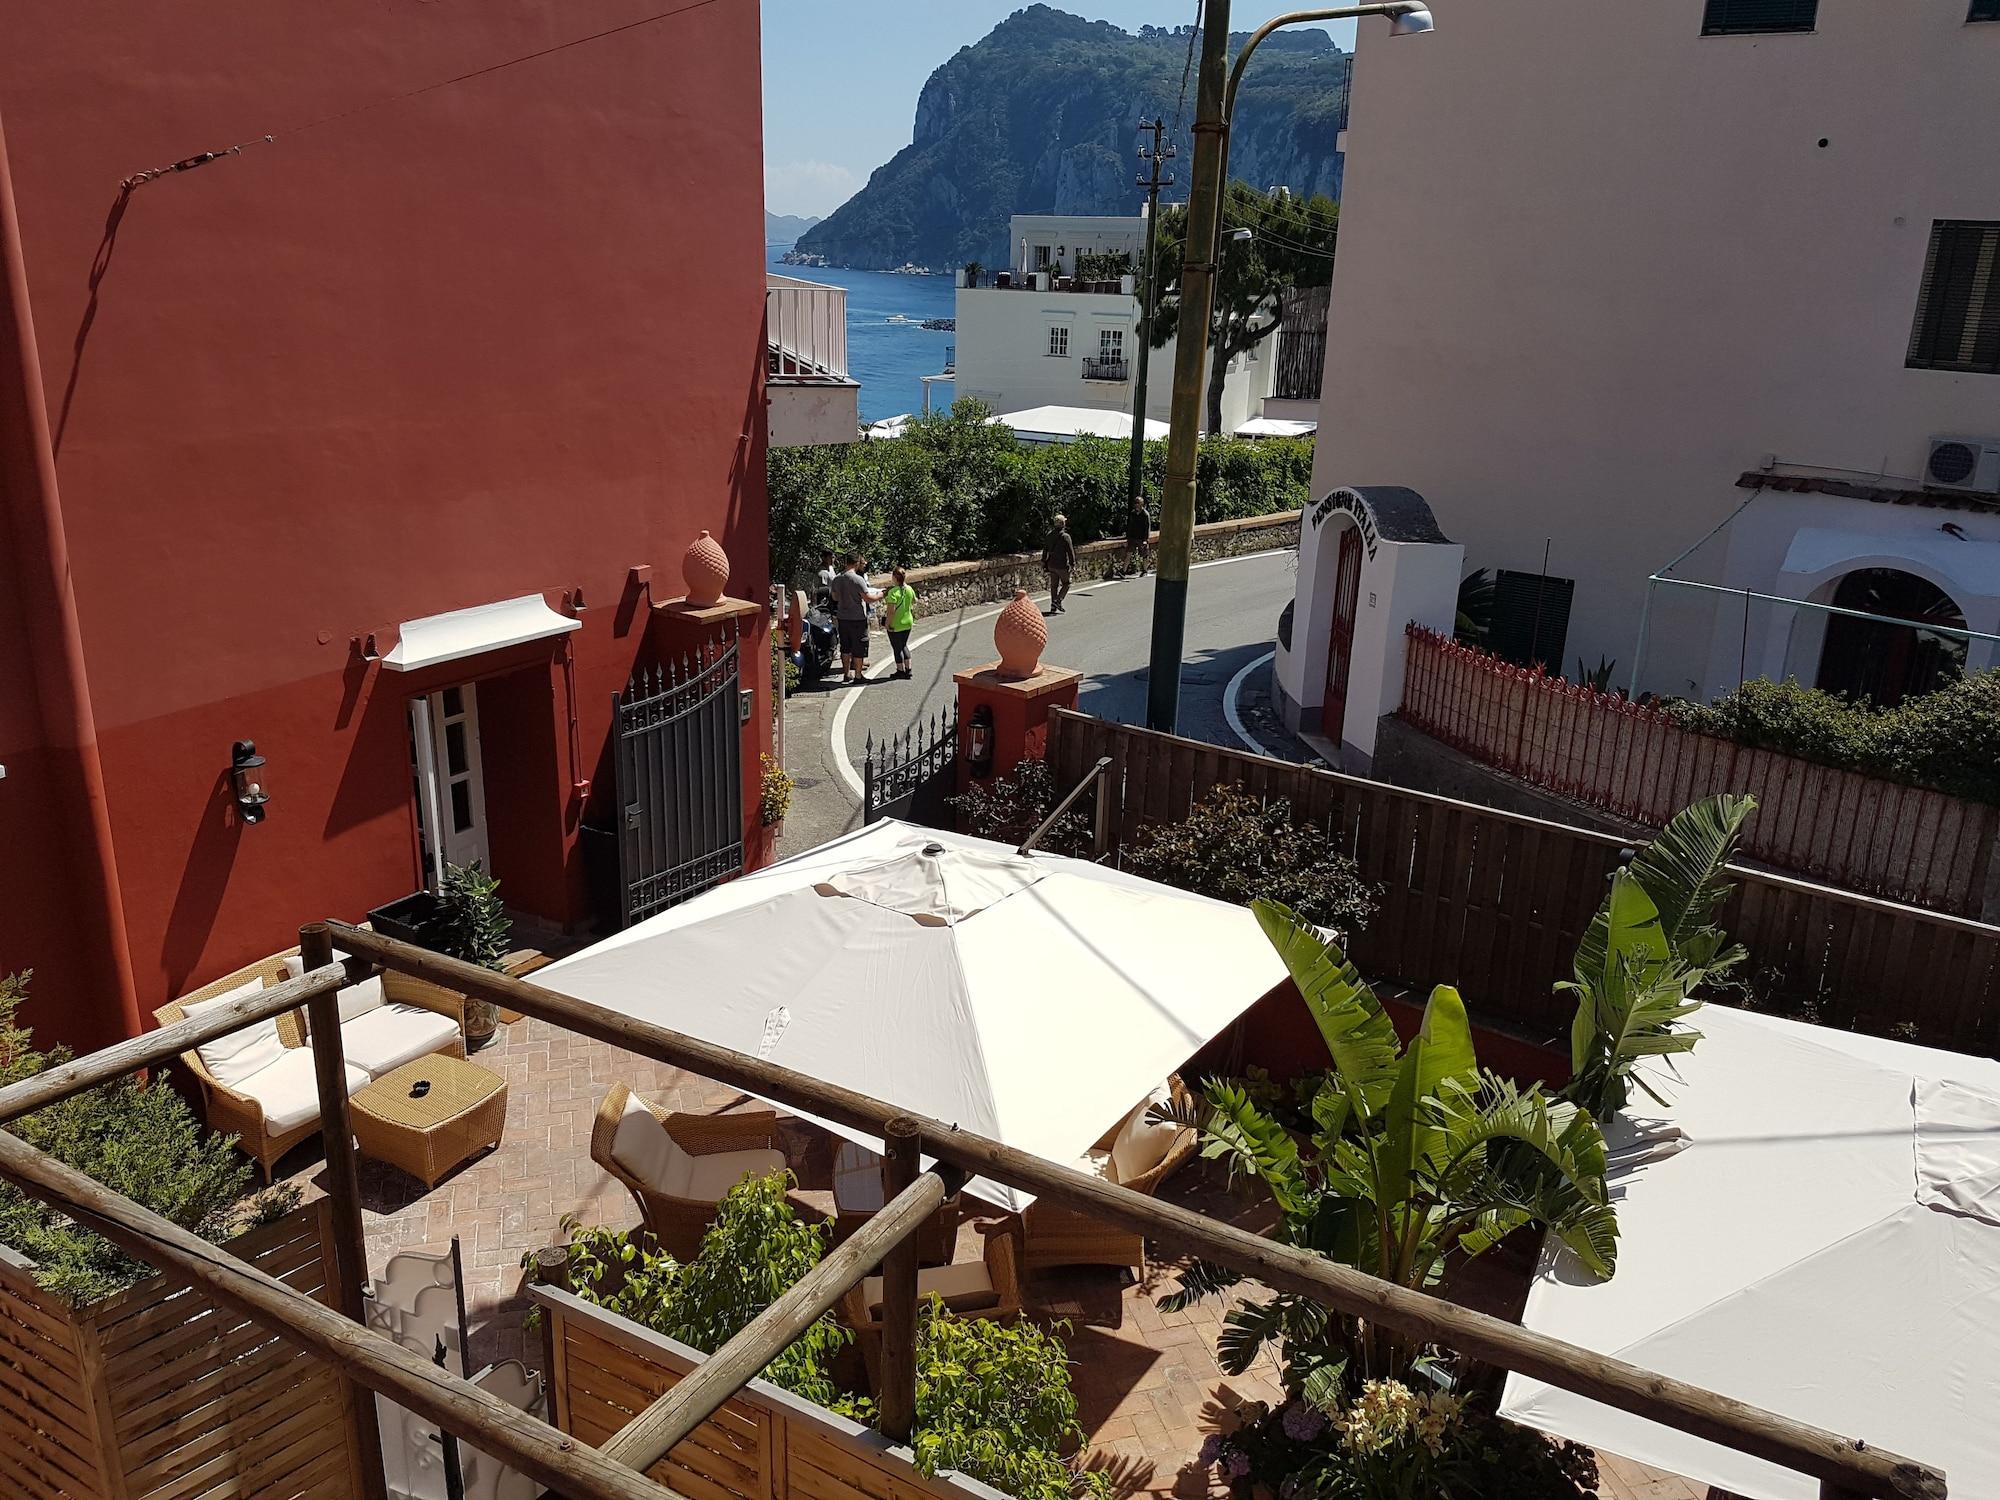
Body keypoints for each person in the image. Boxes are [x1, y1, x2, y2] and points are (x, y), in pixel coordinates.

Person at [827, 553, 881, 684]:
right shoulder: (858, 579)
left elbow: (834, 597)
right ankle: (858, 675)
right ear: (856, 563)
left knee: (845, 646)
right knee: (859, 647)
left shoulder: (837, 579)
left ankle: (846, 674)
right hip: (857, 618)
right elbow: (868, 598)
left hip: (842, 617)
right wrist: (880, 595)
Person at [883, 567, 917, 679]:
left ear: (894, 577)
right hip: (908, 621)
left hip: (896, 623)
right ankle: (908, 669)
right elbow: (914, 601)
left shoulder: (893, 592)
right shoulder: (909, 589)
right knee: (904, 645)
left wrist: (887, 624)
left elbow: (891, 612)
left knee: (897, 648)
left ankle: (900, 670)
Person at [1042, 513, 1076, 614]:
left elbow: (1045, 550)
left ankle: (1053, 605)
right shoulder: (1065, 536)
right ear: (1062, 524)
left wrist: (1044, 562)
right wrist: (1072, 564)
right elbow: (1070, 552)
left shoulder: (1049, 535)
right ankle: (1058, 600)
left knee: (1054, 586)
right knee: (1067, 583)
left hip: (1051, 564)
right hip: (1061, 565)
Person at [1123, 495, 1152, 578]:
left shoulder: (1145, 514)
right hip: (1133, 537)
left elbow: (1147, 527)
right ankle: (1123, 571)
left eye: (1138, 503)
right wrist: (1128, 538)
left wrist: (1146, 539)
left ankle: (1145, 570)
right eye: (1135, 503)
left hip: (1141, 538)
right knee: (1128, 553)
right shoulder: (1133, 514)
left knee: (1144, 555)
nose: (1136, 505)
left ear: (1141, 504)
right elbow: (1130, 526)